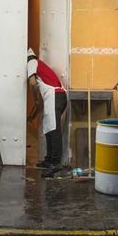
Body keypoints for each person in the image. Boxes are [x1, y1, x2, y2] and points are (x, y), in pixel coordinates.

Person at [26, 48, 68, 177]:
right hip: (56, 96)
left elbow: (32, 82)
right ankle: (49, 160)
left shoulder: (32, 62)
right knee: (50, 129)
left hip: (55, 96)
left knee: (54, 130)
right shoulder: (39, 64)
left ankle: (56, 163)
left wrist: (35, 97)